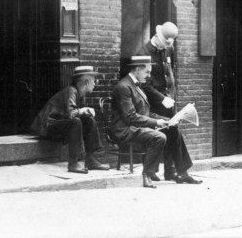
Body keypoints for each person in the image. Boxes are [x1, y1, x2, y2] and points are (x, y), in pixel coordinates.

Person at [111, 56, 201, 188]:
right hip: (125, 129)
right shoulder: (124, 87)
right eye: (147, 72)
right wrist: (156, 122)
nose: (149, 76)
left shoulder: (137, 86)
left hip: (137, 126)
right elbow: (130, 117)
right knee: (159, 137)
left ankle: (182, 172)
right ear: (137, 70)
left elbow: (145, 113)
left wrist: (166, 120)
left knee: (173, 129)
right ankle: (147, 174)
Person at [31, 66, 109, 174]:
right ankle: (73, 163)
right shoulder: (72, 91)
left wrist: (84, 112)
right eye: (93, 81)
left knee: (89, 119)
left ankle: (90, 159)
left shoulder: (79, 93)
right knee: (76, 122)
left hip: (59, 124)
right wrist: (84, 110)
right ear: (86, 82)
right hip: (48, 127)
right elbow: (71, 114)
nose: (95, 84)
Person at [138, 21, 180, 182]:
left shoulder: (169, 48)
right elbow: (145, 85)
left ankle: (170, 170)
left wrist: (170, 96)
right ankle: (152, 171)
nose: (165, 48)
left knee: (172, 131)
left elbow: (170, 71)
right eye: (164, 45)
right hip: (154, 101)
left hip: (169, 99)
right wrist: (161, 98)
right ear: (156, 37)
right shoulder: (143, 53)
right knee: (155, 135)